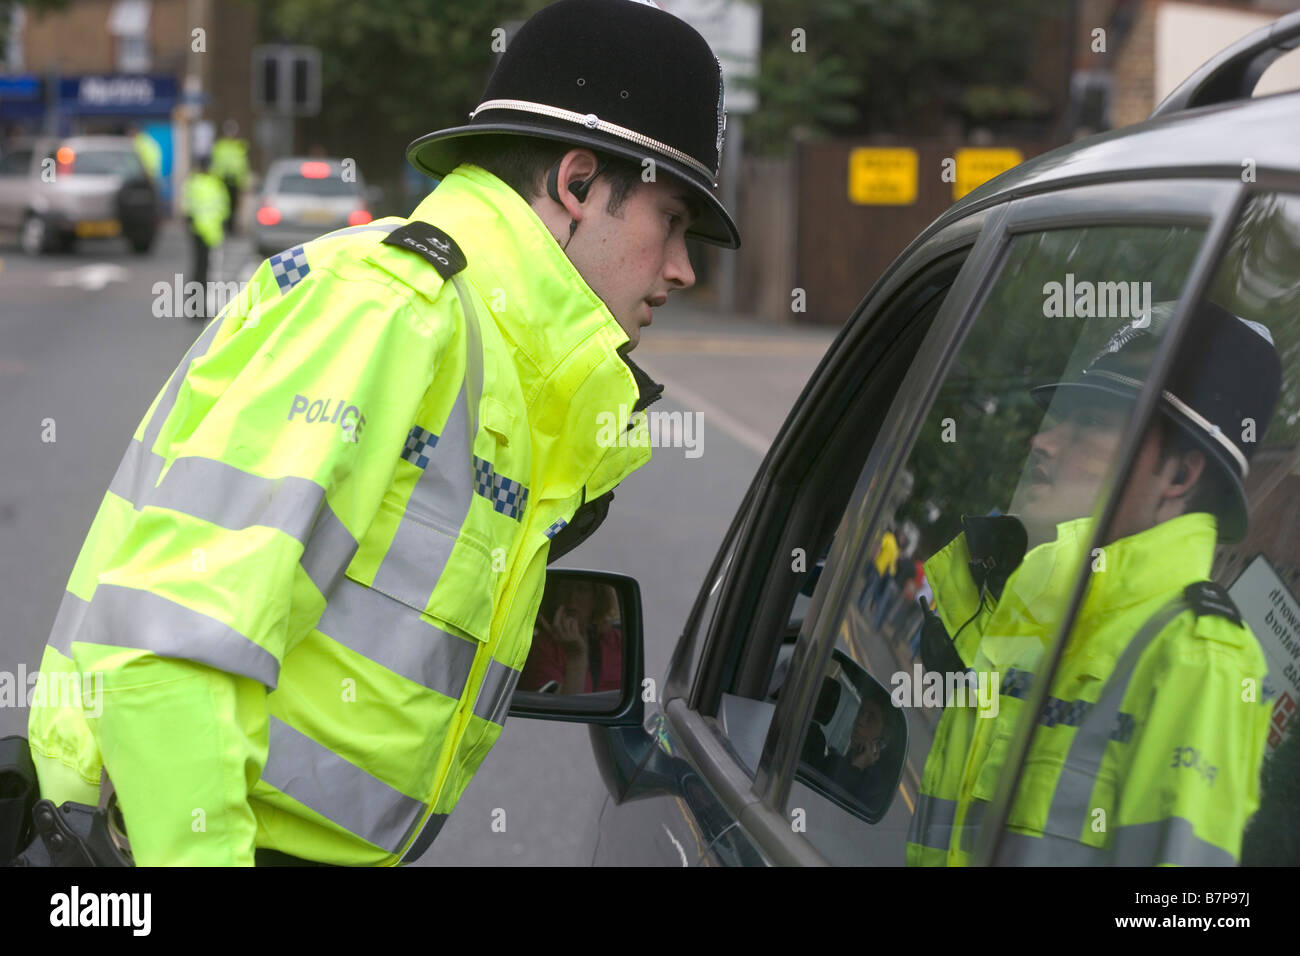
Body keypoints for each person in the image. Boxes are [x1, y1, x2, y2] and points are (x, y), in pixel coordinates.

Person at [19, 0, 738, 867]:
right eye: (672, 221)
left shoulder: (497, 359)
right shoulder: (395, 314)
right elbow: (170, 652)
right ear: (578, 185)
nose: (683, 268)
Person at [906, 300, 1282, 866]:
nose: (1042, 442)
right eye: (1060, 417)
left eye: (1089, 425)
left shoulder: (1199, 659)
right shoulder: (1033, 588)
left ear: (1179, 475)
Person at [520, 580, 622, 694]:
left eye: (582, 589)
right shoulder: (539, 649)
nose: (572, 599)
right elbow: (561, 707)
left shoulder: (616, 641)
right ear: (553, 595)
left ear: (597, 599)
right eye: (565, 588)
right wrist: (576, 655)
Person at [180, 154, 228, 317]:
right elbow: (223, 208)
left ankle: (195, 308)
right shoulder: (216, 184)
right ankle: (198, 309)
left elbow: (187, 207)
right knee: (203, 271)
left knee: (199, 270)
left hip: (199, 231)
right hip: (209, 232)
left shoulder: (193, 183)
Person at [210, 120, 250, 237]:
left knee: (233, 206)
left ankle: (231, 228)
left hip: (235, 181)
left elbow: (243, 165)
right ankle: (224, 226)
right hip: (222, 180)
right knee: (222, 205)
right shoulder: (220, 146)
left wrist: (243, 180)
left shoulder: (240, 146)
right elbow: (215, 163)